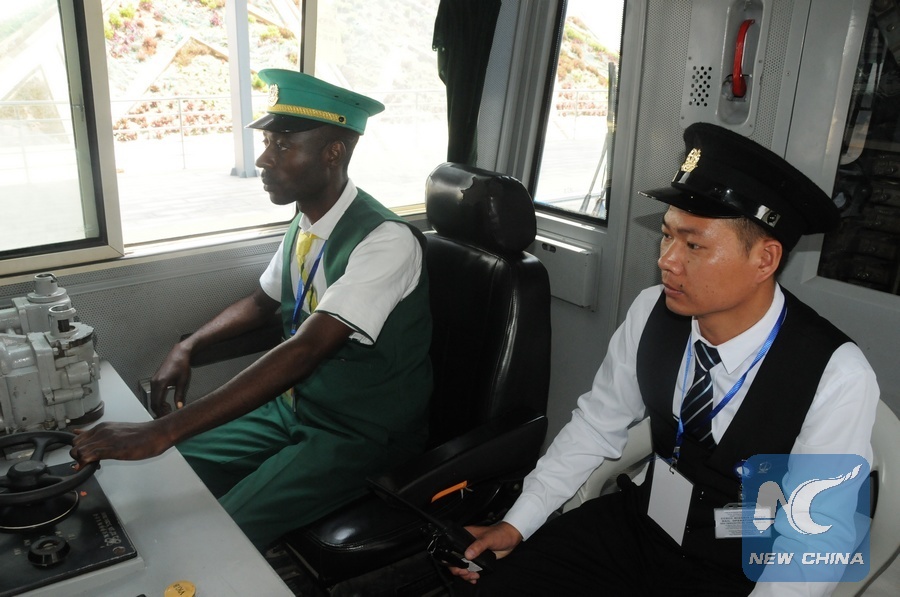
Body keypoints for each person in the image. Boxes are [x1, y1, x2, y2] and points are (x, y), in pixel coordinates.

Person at [450, 123, 879, 595]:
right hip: (644, 522)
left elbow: (815, 536)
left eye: (693, 245)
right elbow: (596, 425)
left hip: (743, 563)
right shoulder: (651, 310)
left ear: (764, 259)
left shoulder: (835, 374)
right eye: (666, 236)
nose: (667, 261)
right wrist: (517, 523)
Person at [71, 69, 433, 550]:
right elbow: (263, 302)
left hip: (360, 431)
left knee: (218, 532)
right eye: (267, 143)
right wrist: (188, 346)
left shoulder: (385, 241)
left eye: (282, 145)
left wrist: (163, 429)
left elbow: (306, 349)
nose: (263, 159)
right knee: (166, 474)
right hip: (296, 408)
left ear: (333, 153)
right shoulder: (307, 222)